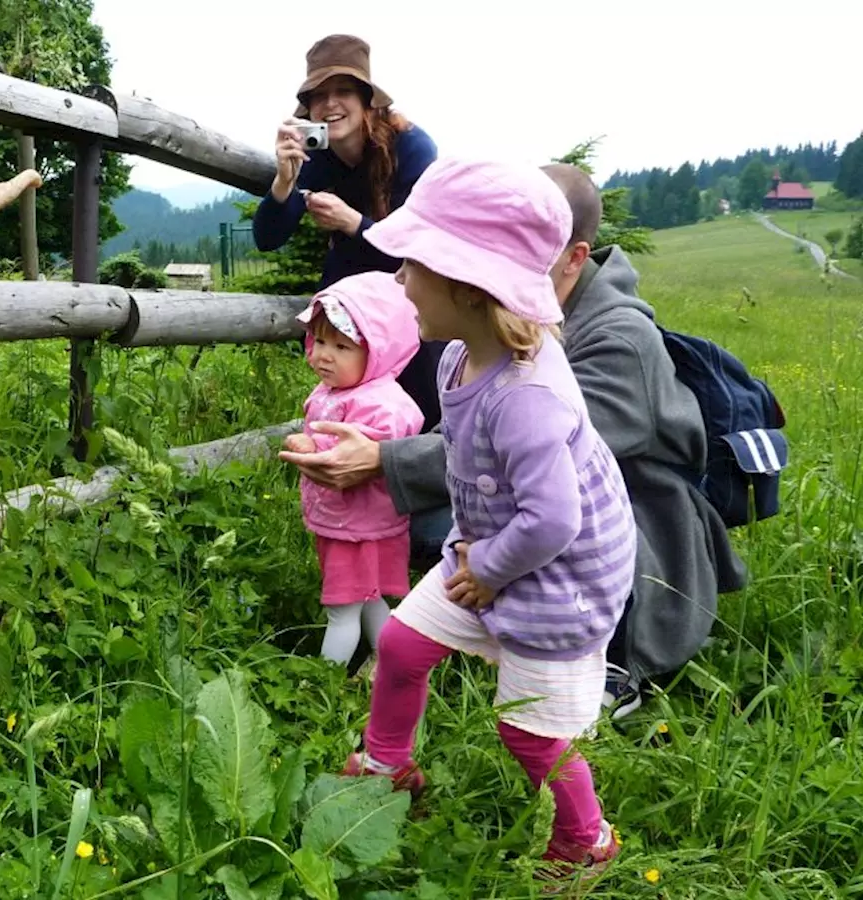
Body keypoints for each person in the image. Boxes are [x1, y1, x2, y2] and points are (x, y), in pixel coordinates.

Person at [278, 163, 749, 717]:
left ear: (574, 256)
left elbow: (546, 481)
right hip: (526, 503)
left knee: (535, 719)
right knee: (443, 529)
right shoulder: (483, 332)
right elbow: (471, 432)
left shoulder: (615, 338)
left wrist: (384, 459)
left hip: (629, 530)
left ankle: (614, 659)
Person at [340, 157, 636, 881]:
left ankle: (584, 840)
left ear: (470, 286)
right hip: (488, 552)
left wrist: (488, 570)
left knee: (533, 730)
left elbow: (554, 520)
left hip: (555, 575)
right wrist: (477, 558)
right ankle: (388, 762)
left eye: (415, 265)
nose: (402, 281)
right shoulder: (458, 359)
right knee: (405, 647)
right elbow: (472, 466)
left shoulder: (528, 395)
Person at [251, 33, 446, 434]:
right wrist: (284, 183)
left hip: (410, 301)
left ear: (367, 101)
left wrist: (353, 224)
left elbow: (420, 246)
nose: (330, 105)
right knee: (353, 416)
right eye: (319, 96)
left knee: (421, 412)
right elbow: (267, 238)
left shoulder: (411, 148)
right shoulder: (314, 154)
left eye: (343, 91)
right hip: (352, 312)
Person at [282, 271, 424, 666]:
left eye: (342, 346)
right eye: (320, 341)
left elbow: (377, 443)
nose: (324, 354)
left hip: (358, 529)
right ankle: (390, 660)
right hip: (347, 522)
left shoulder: (384, 401)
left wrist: (316, 445)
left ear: (379, 351)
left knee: (342, 609)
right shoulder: (337, 389)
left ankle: (322, 687)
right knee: (370, 596)